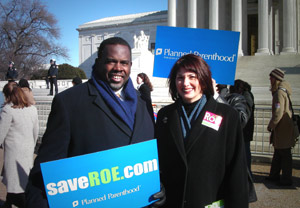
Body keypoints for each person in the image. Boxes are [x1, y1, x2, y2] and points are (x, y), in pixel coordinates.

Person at [25, 37, 164, 207]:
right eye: (111, 62)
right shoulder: (69, 102)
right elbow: (45, 170)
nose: (118, 68)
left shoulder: (143, 101)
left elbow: (150, 154)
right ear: (98, 62)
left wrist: (158, 185)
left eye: (124, 63)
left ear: (130, 66)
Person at [155, 54, 249, 207]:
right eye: (180, 77)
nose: (185, 83)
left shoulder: (227, 115)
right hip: (173, 201)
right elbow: (160, 160)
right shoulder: (165, 115)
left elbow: (236, 170)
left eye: (192, 77)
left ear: (203, 79)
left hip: (209, 199)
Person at [0, 82, 39, 208]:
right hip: (27, 149)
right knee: (21, 179)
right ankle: (9, 201)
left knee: (14, 182)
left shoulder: (8, 110)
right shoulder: (32, 109)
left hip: (13, 152)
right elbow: (36, 132)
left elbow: (1, 133)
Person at [266, 68, 295, 186]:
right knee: (278, 152)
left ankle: (286, 179)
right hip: (285, 127)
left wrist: (271, 125)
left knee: (284, 153)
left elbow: (278, 112)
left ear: (276, 79)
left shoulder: (279, 93)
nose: (270, 79)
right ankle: (274, 175)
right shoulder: (283, 91)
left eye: (271, 77)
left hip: (282, 128)